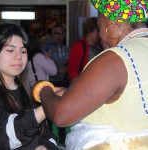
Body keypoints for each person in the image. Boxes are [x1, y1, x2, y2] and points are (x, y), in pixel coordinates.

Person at [32, 0, 148, 149]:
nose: (100, 35)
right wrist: (77, 96)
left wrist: (41, 88)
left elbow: (61, 115)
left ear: (111, 23)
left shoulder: (116, 58)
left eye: (100, 26)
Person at [0, 23, 59, 150]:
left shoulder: (28, 91)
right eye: (10, 50)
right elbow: (5, 135)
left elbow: (47, 133)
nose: (19, 56)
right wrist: (46, 107)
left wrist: (46, 146)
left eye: (23, 51)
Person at [67, 17, 103, 83]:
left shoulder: (100, 46)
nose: (100, 34)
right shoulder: (79, 46)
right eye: (97, 31)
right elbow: (73, 69)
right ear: (89, 31)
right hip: (83, 84)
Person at [42, 24, 70, 88]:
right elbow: (42, 65)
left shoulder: (68, 49)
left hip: (66, 82)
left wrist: (66, 68)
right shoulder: (46, 49)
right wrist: (57, 69)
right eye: (55, 33)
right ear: (52, 35)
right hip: (51, 82)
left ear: (64, 35)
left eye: (61, 33)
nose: (58, 36)